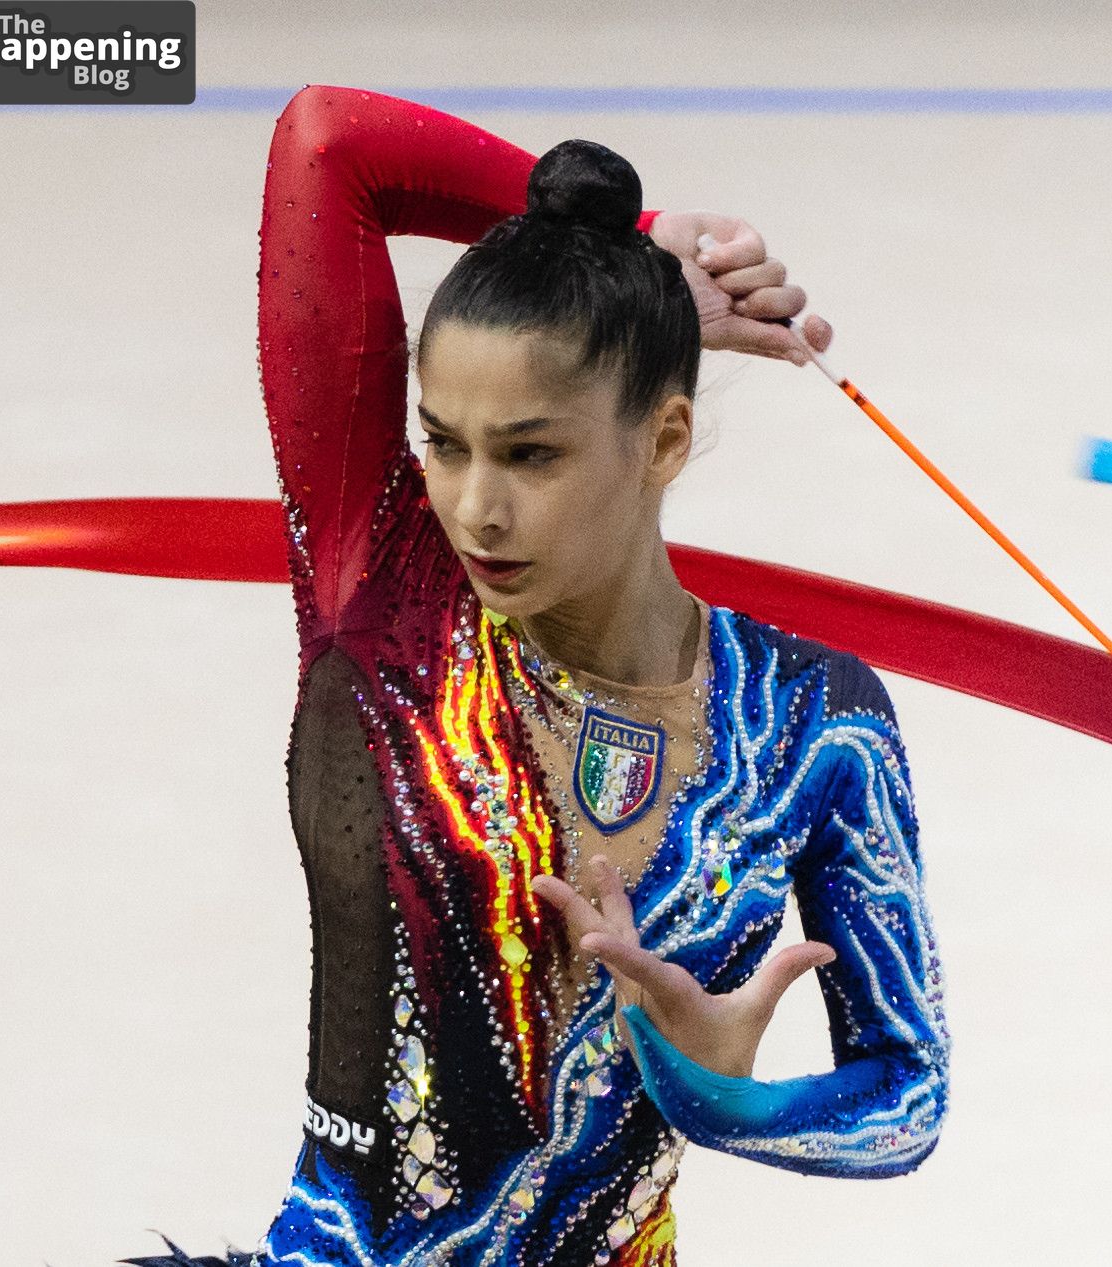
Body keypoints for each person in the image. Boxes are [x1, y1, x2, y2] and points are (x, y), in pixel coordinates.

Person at [123, 84, 948, 1267]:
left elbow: (905, 1095)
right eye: (442, 443)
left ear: (663, 439)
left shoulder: (812, 721)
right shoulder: (387, 592)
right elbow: (327, 141)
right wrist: (632, 242)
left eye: (530, 454)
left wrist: (717, 1094)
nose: (474, 507)